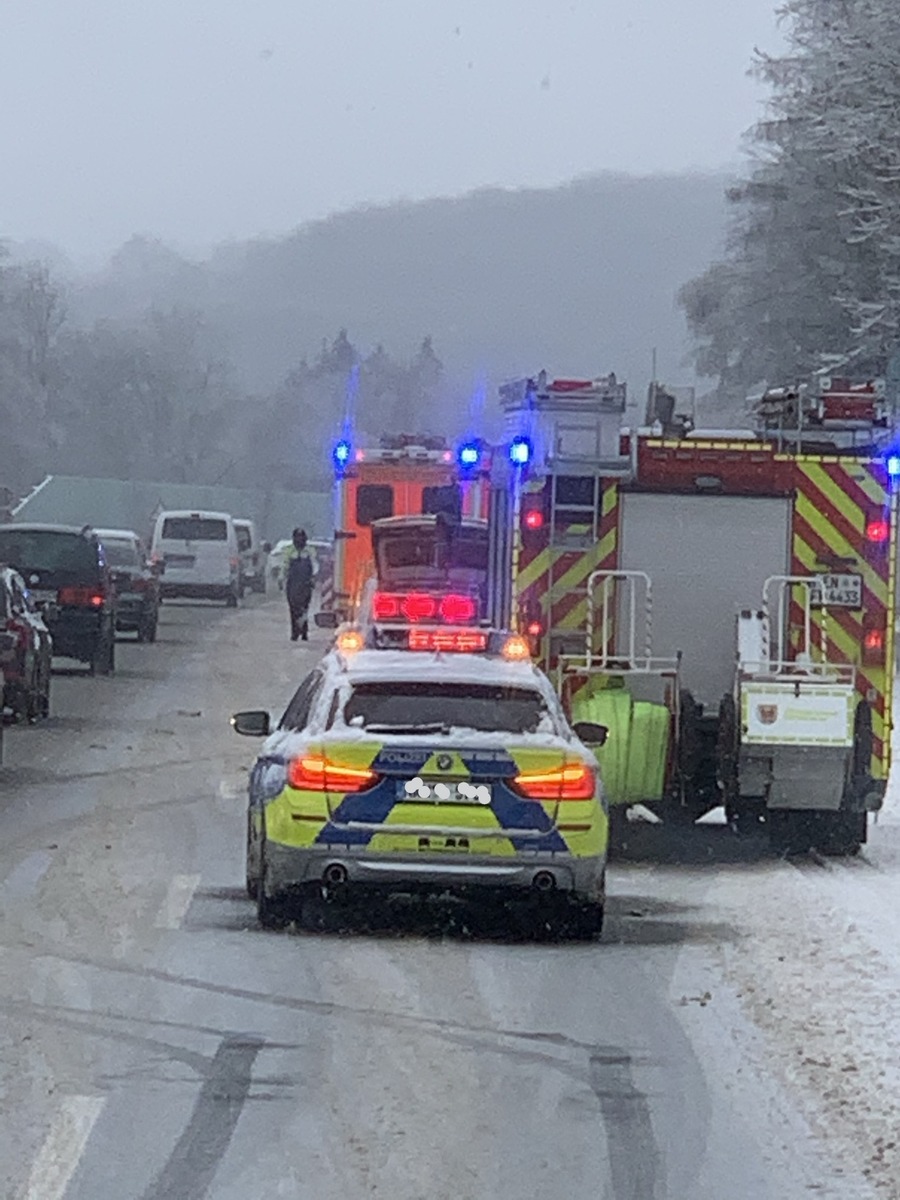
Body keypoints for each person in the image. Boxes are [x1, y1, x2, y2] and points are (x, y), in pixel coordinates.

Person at [283, 528, 316, 641]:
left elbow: (315, 566)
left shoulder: (310, 551)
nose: (299, 540)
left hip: (305, 585)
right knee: (293, 608)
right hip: (292, 584)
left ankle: (304, 632)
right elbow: (285, 567)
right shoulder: (289, 551)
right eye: (297, 537)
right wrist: (282, 579)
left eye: (302, 538)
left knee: (304, 609)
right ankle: (295, 632)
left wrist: (313, 579)